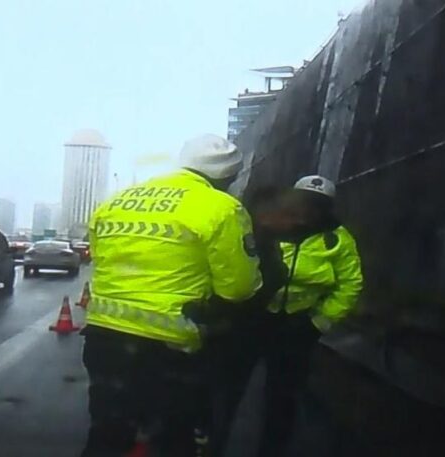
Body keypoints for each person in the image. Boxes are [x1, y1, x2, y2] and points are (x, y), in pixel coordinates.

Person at [81, 134, 263, 457]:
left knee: (107, 434)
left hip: (104, 335)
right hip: (171, 345)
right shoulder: (222, 207)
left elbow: (99, 257)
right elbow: (238, 288)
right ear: (228, 177)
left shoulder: (117, 200)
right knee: (172, 437)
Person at [212, 175, 363, 457]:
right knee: (228, 387)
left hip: (297, 325)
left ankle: (272, 449)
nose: (310, 210)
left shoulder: (337, 239)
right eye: (306, 201)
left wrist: (318, 322)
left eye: (319, 204)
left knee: (283, 396)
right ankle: (213, 445)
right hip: (253, 318)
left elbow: (350, 284)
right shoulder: (268, 226)